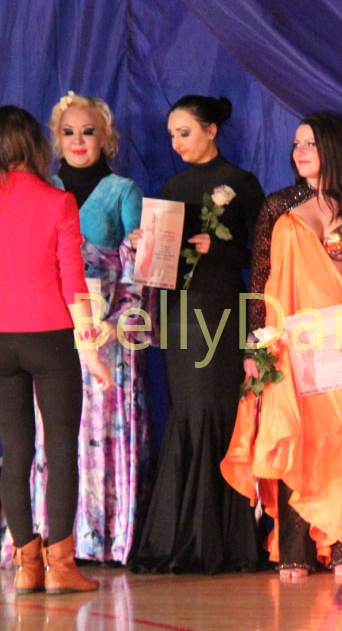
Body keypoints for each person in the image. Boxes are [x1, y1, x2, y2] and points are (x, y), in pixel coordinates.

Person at [221, 112, 342, 581]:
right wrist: (255, 345)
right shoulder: (279, 206)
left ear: (333, 149)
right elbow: (260, 279)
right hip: (292, 342)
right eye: (297, 144)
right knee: (295, 434)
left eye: (311, 144)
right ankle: (294, 549)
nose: (300, 152)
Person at [0, 105, 112, 594]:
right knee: (61, 450)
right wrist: (90, 350)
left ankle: (27, 566)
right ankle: (61, 567)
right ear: (35, 144)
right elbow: (73, 282)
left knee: (16, 451)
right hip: (49, 336)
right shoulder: (58, 202)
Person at [0, 93, 150, 566]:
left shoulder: (123, 190)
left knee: (100, 429)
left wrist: (120, 322)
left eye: (88, 132)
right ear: (55, 140)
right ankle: (48, 538)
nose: (78, 141)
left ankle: (101, 538)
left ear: (106, 138)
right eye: (69, 132)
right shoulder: (44, 190)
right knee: (52, 434)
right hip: (51, 329)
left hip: (107, 334)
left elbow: (140, 268)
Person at [129, 95, 266, 574]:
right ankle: (181, 534)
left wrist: (220, 248)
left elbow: (265, 257)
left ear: (211, 130)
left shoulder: (242, 184)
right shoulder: (172, 186)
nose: (176, 143)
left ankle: (222, 539)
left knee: (215, 410)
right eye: (171, 135)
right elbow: (161, 265)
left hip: (222, 310)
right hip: (180, 313)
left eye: (183, 133)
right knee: (187, 412)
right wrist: (144, 247)